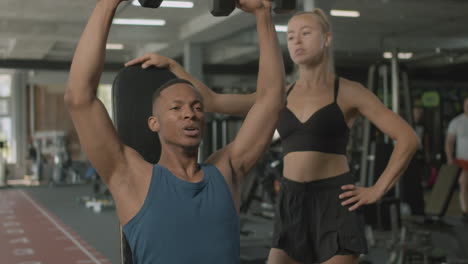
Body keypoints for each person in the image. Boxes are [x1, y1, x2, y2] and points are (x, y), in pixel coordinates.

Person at [127, 8, 420, 264]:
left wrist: (378, 189)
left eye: (305, 33)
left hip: (335, 201)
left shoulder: (349, 91)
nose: (296, 41)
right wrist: (175, 68)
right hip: (291, 201)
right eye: (290, 35)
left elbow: (407, 138)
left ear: (327, 39)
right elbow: (213, 101)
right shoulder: (280, 96)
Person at [64, 0, 285, 263]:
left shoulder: (227, 171)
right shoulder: (132, 178)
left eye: (197, 107)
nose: (189, 113)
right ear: (154, 123)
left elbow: (271, 100)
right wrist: (108, 5)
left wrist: (262, 13)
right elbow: (79, 98)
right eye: (176, 108)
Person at [445, 96, 468, 223]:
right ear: (464, 106)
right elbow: (449, 142)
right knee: (464, 184)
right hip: (462, 160)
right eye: (467, 105)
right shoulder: (456, 122)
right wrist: (449, 157)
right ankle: (465, 212)